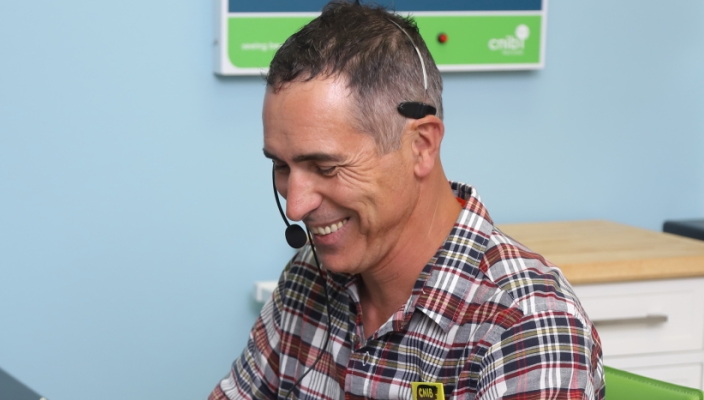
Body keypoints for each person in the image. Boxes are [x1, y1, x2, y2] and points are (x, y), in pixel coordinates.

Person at [210, 2, 604, 400]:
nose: (296, 206)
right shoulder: (307, 278)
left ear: (420, 146)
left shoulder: (526, 327)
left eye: (325, 167)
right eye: (281, 166)